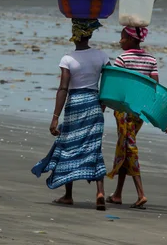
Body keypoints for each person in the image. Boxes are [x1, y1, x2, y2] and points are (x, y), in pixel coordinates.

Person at [31, 18, 110, 210]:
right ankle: (100, 192)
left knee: (69, 147)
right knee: (94, 148)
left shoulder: (68, 59)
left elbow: (63, 88)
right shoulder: (102, 56)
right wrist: (102, 106)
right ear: (90, 34)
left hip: (75, 105)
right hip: (93, 104)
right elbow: (108, 86)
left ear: (74, 36)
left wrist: (55, 117)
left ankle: (68, 195)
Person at [106, 26, 167, 209]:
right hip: (139, 113)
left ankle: (141, 194)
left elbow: (115, 86)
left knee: (129, 148)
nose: (120, 41)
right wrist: (162, 117)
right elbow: (155, 88)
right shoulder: (151, 59)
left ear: (132, 39)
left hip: (124, 111)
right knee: (126, 145)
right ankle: (117, 194)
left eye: (123, 38)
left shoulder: (122, 59)